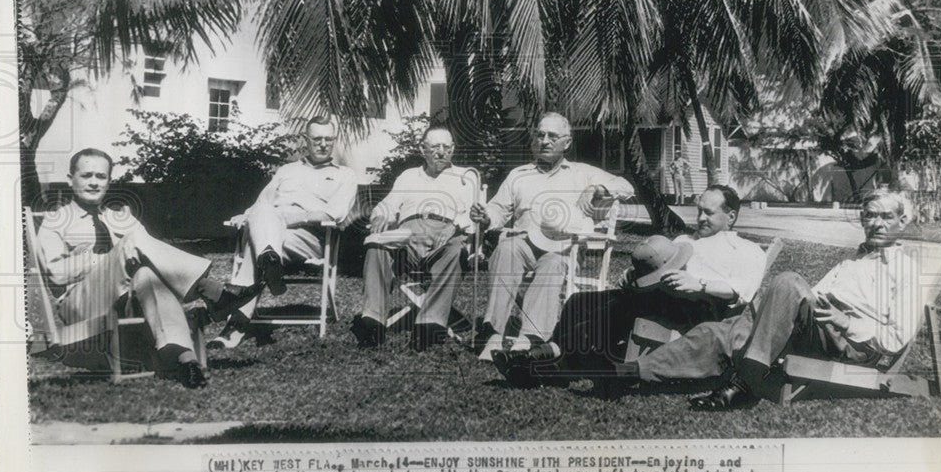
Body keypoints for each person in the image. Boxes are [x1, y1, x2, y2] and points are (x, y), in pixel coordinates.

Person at [492, 184, 766, 388]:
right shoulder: (687, 239)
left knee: (616, 308)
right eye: (699, 211)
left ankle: (543, 357)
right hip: (660, 297)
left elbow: (741, 291)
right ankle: (544, 361)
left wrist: (700, 284)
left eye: (708, 213)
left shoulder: (746, 250)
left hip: (698, 309)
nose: (701, 218)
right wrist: (632, 275)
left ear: (730, 216)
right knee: (581, 302)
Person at [36, 148, 260, 388]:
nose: (93, 182)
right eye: (86, 175)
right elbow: (57, 274)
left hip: (127, 297)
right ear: (71, 179)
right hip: (78, 305)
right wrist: (105, 259)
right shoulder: (54, 222)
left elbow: (150, 255)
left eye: (101, 177)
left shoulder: (121, 216)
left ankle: (184, 360)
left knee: (147, 274)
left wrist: (124, 255)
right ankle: (213, 292)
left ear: (109, 182)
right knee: (130, 242)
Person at [686, 188, 922, 410]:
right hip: (821, 328)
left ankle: (744, 384)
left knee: (788, 282)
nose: (877, 224)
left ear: (902, 221)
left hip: (853, 346)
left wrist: (847, 322)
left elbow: (895, 339)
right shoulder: (852, 259)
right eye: (870, 216)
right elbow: (813, 295)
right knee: (722, 329)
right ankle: (653, 373)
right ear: (862, 220)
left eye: (886, 217)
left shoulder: (906, 270)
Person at [469, 113, 635, 357]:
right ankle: (494, 333)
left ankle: (530, 337)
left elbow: (626, 187)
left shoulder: (582, 173)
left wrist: (596, 188)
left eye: (552, 136)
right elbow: (498, 209)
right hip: (524, 242)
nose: (544, 141)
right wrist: (486, 217)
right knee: (506, 249)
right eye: (540, 134)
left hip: (564, 246)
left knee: (553, 263)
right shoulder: (519, 174)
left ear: (567, 143)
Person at [207, 116, 359, 349]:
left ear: (334, 141)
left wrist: (295, 217)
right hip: (272, 228)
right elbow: (262, 202)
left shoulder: (345, 175)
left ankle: (236, 325)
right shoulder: (287, 170)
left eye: (329, 139)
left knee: (253, 243)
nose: (323, 144)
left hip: (308, 237)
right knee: (262, 214)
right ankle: (270, 260)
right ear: (306, 141)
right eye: (317, 139)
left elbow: (334, 214)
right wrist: (245, 216)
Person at [351, 126, 478, 350]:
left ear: (453, 149)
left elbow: (474, 217)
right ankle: (373, 323)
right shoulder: (408, 176)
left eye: (446, 147)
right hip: (407, 239)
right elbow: (388, 205)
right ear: (423, 149)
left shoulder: (465, 178)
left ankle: (428, 326)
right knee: (376, 248)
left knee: (458, 250)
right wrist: (380, 214)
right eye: (435, 147)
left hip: (445, 239)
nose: (441, 152)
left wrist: (455, 227)